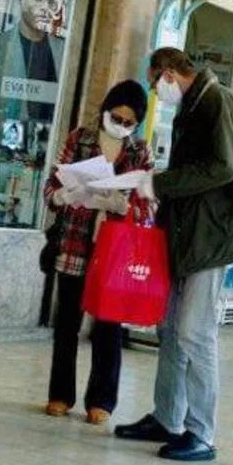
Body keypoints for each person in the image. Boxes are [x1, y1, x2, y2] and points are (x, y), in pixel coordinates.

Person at [115, 49, 233, 462]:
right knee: (171, 329)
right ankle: (167, 417)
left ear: (170, 74)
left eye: (155, 82)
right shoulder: (195, 105)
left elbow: (224, 167)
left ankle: (201, 433)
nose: (156, 91)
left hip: (210, 238)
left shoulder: (216, 101)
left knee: (195, 332)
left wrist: (160, 184)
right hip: (187, 235)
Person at [43, 80, 152, 425]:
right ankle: (60, 394)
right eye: (115, 117)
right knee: (67, 323)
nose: (120, 125)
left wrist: (124, 205)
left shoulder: (139, 152)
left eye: (128, 122)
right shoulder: (80, 138)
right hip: (74, 243)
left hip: (113, 251)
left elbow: (148, 205)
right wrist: (60, 196)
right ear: (105, 110)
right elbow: (53, 184)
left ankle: (102, 400)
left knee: (108, 326)